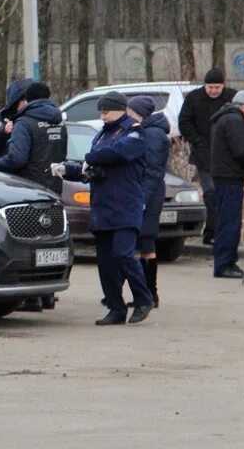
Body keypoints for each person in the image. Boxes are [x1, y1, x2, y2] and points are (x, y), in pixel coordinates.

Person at [54, 91, 153, 326]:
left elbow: (117, 153)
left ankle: (143, 299)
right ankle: (115, 307)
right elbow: (92, 168)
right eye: (100, 111)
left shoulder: (134, 132)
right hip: (102, 207)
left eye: (106, 111)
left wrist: (89, 158)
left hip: (125, 206)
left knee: (123, 254)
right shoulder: (101, 135)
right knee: (107, 262)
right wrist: (69, 169)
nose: (102, 115)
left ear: (120, 109)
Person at [0, 81, 66, 312]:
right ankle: (47, 295)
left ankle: (32, 298)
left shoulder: (24, 122)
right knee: (50, 241)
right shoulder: (58, 121)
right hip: (53, 186)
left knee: (30, 243)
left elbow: (17, 158)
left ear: (26, 100)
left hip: (29, 189)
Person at [209, 90, 244, 278]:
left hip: (224, 176)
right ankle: (224, 264)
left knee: (227, 221)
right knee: (230, 222)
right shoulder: (234, 121)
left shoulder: (224, 118)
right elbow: (242, 152)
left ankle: (227, 262)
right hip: (230, 178)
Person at [179, 68, 237, 244]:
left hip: (226, 155)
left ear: (223, 86)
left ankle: (219, 232)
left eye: (217, 87)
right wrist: (197, 141)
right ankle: (211, 232)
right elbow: (184, 122)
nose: (213, 91)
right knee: (210, 193)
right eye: (210, 87)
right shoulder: (194, 98)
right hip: (203, 154)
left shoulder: (231, 97)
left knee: (223, 194)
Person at [126, 95, 169, 307]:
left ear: (138, 113)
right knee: (145, 242)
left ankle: (150, 293)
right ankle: (146, 294)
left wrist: (141, 198)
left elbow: (151, 171)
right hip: (148, 193)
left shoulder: (152, 135)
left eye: (129, 111)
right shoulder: (148, 131)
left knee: (146, 242)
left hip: (148, 195)